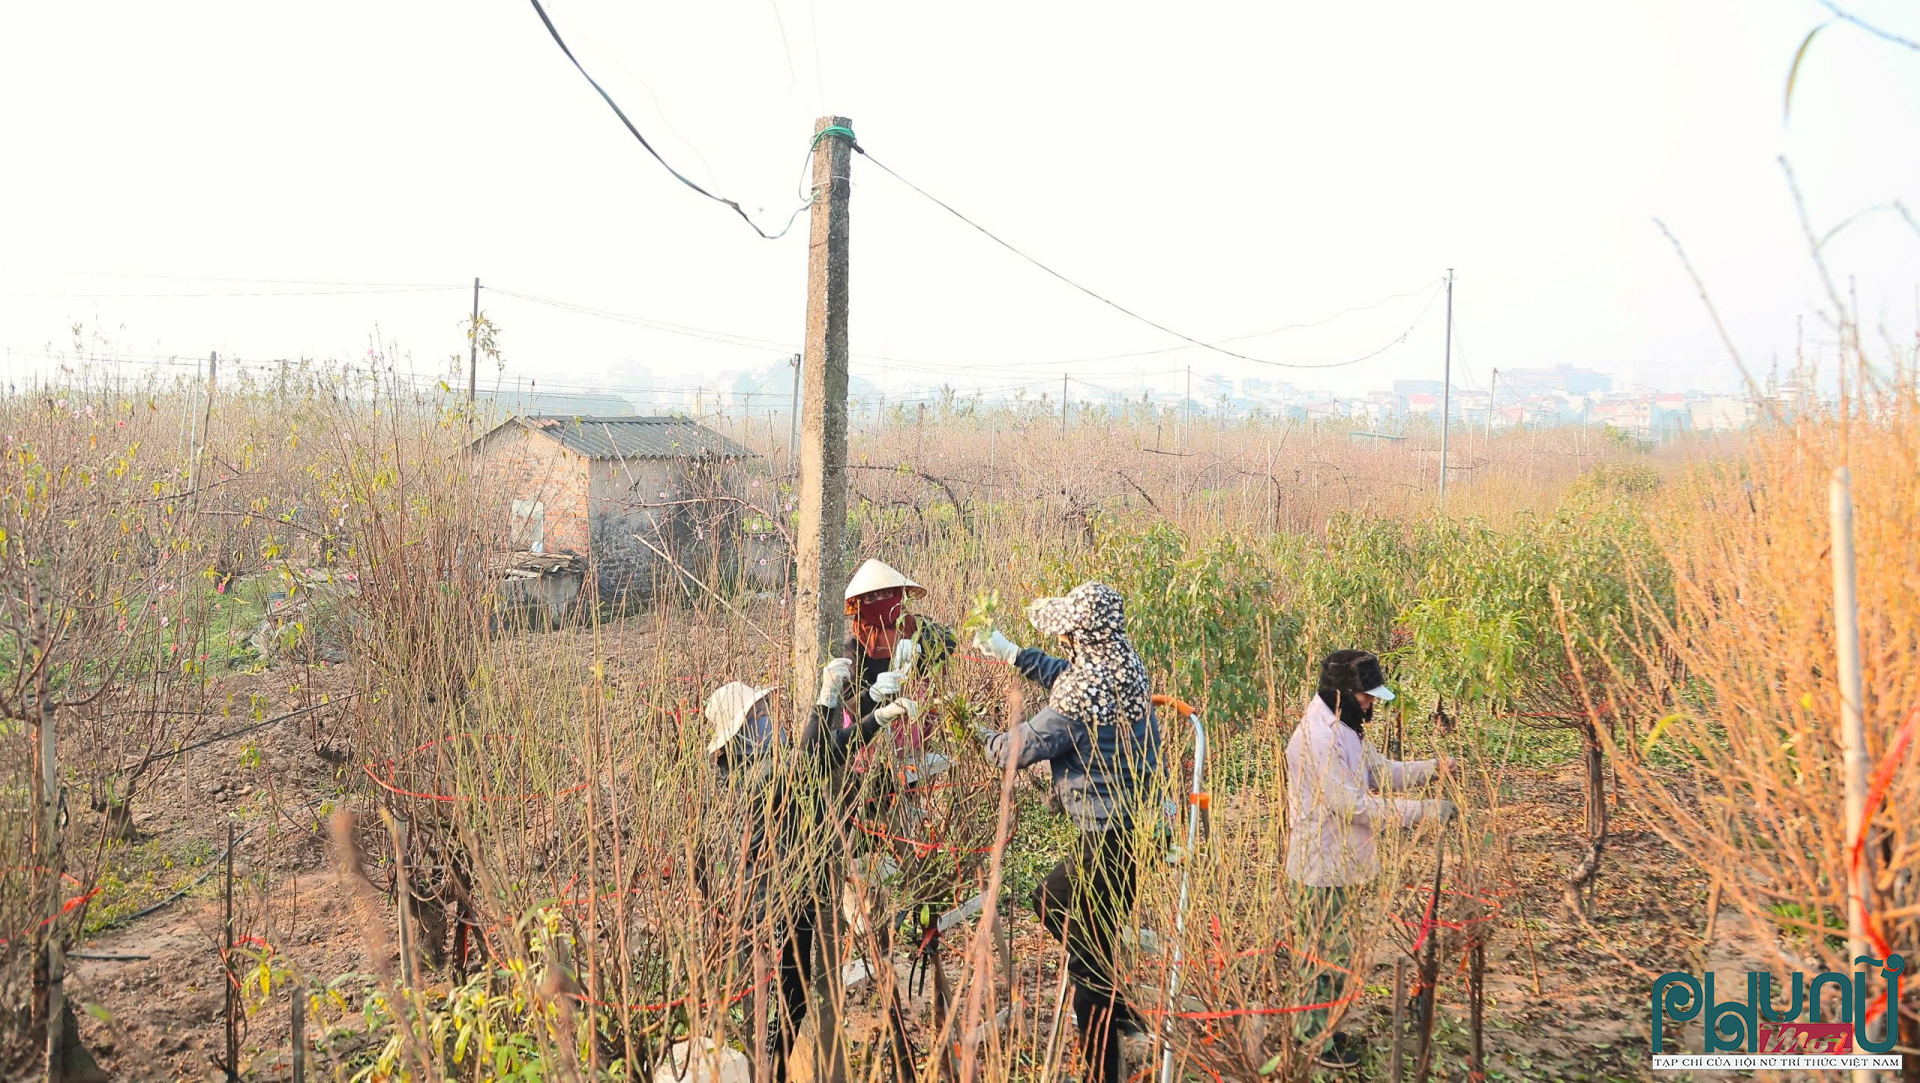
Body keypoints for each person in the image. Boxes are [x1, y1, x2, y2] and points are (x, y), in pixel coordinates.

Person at [971, 581, 1161, 1083]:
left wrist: (976, 731)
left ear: (1079, 636)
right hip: (1141, 830)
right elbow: (1067, 674)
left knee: (1084, 954)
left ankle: (1105, 1062)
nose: (1064, 647)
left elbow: (1012, 753)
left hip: (1107, 837)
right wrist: (1013, 655)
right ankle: (1117, 1003)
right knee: (1066, 914)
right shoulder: (1126, 668)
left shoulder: (1075, 708)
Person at [697, 663, 917, 1083]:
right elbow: (810, 762)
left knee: (790, 1007)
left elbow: (824, 753)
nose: (769, 719)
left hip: (790, 905)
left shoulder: (769, 764)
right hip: (770, 914)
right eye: (759, 716)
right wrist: (825, 700)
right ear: (740, 734)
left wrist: (873, 712)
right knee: (772, 1020)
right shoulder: (753, 777)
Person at [1284, 649, 1455, 1070]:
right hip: (1319, 867)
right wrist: (1423, 812)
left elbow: (1378, 771)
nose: (1372, 702)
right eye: (1366, 695)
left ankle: (1324, 1031)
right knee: (1321, 959)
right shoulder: (1317, 738)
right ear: (1343, 691)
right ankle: (1313, 1044)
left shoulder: (1347, 727)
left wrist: (1434, 768)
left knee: (1338, 956)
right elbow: (1353, 806)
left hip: (1341, 863)